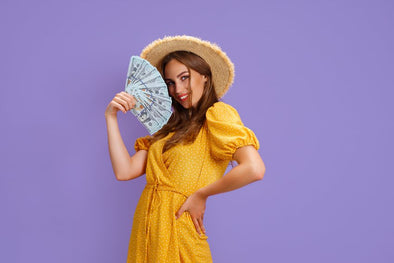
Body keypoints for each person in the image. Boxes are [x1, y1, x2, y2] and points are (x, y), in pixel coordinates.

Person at [105, 35, 266, 263]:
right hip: (147, 230)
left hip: (180, 227)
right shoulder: (168, 130)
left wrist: (202, 194)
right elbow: (124, 171)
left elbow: (254, 168)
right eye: (170, 82)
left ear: (205, 77)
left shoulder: (217, 114)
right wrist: (111, 117)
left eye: (184, 77)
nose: (177, 89)